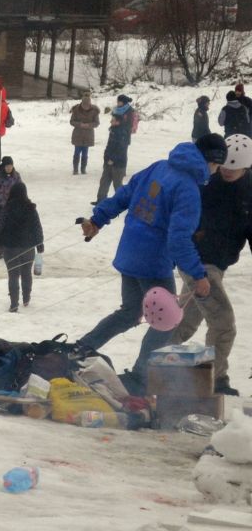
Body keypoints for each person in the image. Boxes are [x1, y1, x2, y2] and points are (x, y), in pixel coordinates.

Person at [77, 135, 217, 388]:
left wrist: (97, 220)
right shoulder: (188, 188)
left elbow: (124, 195)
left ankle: (78, 351)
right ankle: (141, 377)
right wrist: (198, 275)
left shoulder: (159, 167)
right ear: (210, 161)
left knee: (131, 312)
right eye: (217, 166)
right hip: (153, 263)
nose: (215, 172)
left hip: (129, 253)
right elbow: (178, 239)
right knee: (167, 321)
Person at [172, 133, 252, 396]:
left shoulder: (248, 191)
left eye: (235, 167)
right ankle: (216, 381)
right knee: (223, 322)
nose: (227, 171)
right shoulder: (205, 182)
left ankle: (150, 366)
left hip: (218, 263)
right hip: (197, 261)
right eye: (225, 165)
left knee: (185, 320)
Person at [0, 182, 44, 313]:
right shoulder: (31, 208)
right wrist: (40, 243)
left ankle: (14, 304)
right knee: (27, 273)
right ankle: (26, 298)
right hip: (28, 247)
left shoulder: (7, 208)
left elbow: (0, 225)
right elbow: (37, 227)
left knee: (13, 275)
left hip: (10, 247)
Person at [97, 98, 135, 203]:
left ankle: (123, 201)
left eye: (112, 120)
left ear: (118, 122)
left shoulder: (122, 133)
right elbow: (109, 147)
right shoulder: (113, 130)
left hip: (117, 163)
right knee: (104, 181)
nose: (110, 121)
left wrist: (112, 159)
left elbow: (121, 149)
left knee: (117, 184)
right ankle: (100, 200)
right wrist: (106, 158)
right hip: (109, 161)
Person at [71, 91, 101, 175]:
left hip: (88, 135)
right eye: (84, 105)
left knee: (85, 153)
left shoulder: (95, 111)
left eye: (87, 106)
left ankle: (83, 169)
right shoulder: (76, 109)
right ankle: (75, 169)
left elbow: (97, 123)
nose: (85, 107)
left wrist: (88, 125)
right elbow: (72, 121)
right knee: (76, 152)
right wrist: (80, 124)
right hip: (78, 134)